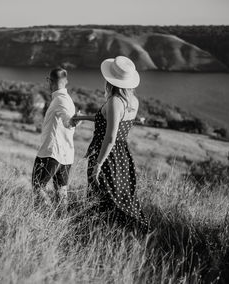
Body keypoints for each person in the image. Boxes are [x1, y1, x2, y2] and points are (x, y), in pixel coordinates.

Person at [72, 56, 149, 234]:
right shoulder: (133, 101)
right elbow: (109, 121)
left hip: (106, 154)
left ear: (110, 80)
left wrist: (98, 164)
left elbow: (110, 136)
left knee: (101, 195)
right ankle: (119, 232)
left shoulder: (115, 101)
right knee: (120, 194)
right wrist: (82, 117)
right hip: (121, 154)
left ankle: (97, 232)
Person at [32, 67, 78, 209]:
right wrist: (72, 121)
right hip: (66, 155)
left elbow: (67, 121)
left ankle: (46, 217)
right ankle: (60, 220)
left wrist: (71, 122)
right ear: (66, 81)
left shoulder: (60, 100)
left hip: (51, 152)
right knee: (61, 191)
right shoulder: (68, 99)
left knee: (37, 186)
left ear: (49, 81)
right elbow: (69, 121)